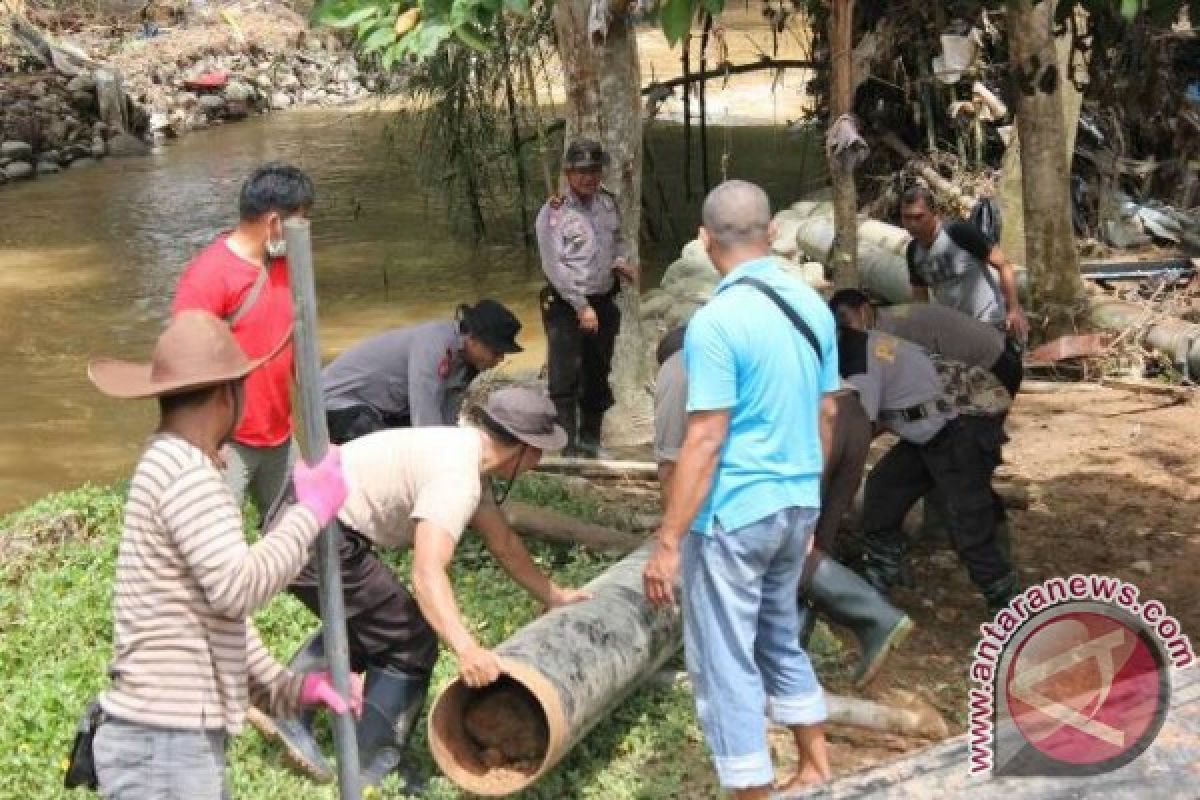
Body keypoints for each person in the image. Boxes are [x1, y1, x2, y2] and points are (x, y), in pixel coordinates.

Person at [251, 387, 592, 789]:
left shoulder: (465, 452)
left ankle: (287, 702)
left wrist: (553, 595)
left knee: (374, 621)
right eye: (542, 449)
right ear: (527, 450)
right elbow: (428, 573)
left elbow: (504, 544)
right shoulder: (458, 478)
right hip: (314, 531)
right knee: (409, 640)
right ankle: (373, 764)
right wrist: (466, 648)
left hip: (310, 516)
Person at [86, 311, 356, 799]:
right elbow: (238, 589)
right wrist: (310, 511)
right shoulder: (188, 473)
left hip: (162, 741)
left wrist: (294, 689)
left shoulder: (170, 461)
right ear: (224, 393)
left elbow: (216, 620)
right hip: (165, 746)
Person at [643, 181, 837, 798]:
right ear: (774, 233)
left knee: (723, 659)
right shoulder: (812, 307)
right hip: (796, 503)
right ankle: (815, 766)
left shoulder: (715, 322)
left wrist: (669, 541)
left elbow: (704, 439)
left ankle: (751, 790)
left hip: (734, 516)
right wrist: (810, 507)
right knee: (778, 634)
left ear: (704, 241)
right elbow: (827, 414)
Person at [653, 327, 911, 690]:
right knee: (809, 539)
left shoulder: (677, 370)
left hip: (814, 429)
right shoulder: (747, 345)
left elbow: (670, 466)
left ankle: (870, 616)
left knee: (773, 542)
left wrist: (674, 534)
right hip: (848, 417)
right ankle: (797, 651)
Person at [836, 324, 1018, 611]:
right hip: (933, 427)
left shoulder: (858, 363)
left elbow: (859, 434)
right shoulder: (862, 344)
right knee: (885, 488)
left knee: (965, 516)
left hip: (962, 423)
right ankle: (881, 572)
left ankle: (1007, 603)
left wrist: (835, 488)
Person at [172, 162, 314, 515]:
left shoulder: (284, 265)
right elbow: (181, 363)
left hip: (279, 436)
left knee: (291, 541)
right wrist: (201, 439)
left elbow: (294, 345)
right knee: (216, 548)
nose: (305, 230)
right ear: (274, 224)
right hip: (226, 443)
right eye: (299, 220)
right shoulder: (208, 277)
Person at [535, 138, 637, 456]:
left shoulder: (608, 203)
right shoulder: (554, 213)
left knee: (598, 372)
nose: (588, 177)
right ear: (567, 173)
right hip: (567, 304)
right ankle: (567, 445)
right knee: (565, 376)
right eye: (581, 171)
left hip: (604, 298)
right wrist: (581, 305)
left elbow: (618, 241)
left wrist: (621, 263)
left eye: (594, 170)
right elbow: (553, 266)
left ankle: (591, 439)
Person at [321, 299, 523, 443]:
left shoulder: (465, 362)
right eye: (495, 351)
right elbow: (425, 422)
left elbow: (447, 417)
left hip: (383, 409)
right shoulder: (434, 347)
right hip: (337, 404)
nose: (499, 360)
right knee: (391, 456)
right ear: (472, 338)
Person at [829, 289, 1023, 398]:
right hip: (992, 359)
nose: (845, 331)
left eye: (846, 320)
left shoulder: (886, 333)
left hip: (996, 364)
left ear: (863, 311)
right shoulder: (889, 319)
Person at [900, 186, 1029, 342]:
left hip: (990, 320)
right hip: (958, 329)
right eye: (906, 217)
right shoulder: (913, 251)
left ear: (935, 214)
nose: (912, 224)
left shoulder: (959, 233)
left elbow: (1004, 265)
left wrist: (1013, 309)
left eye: (919, 217)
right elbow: (920, 296)